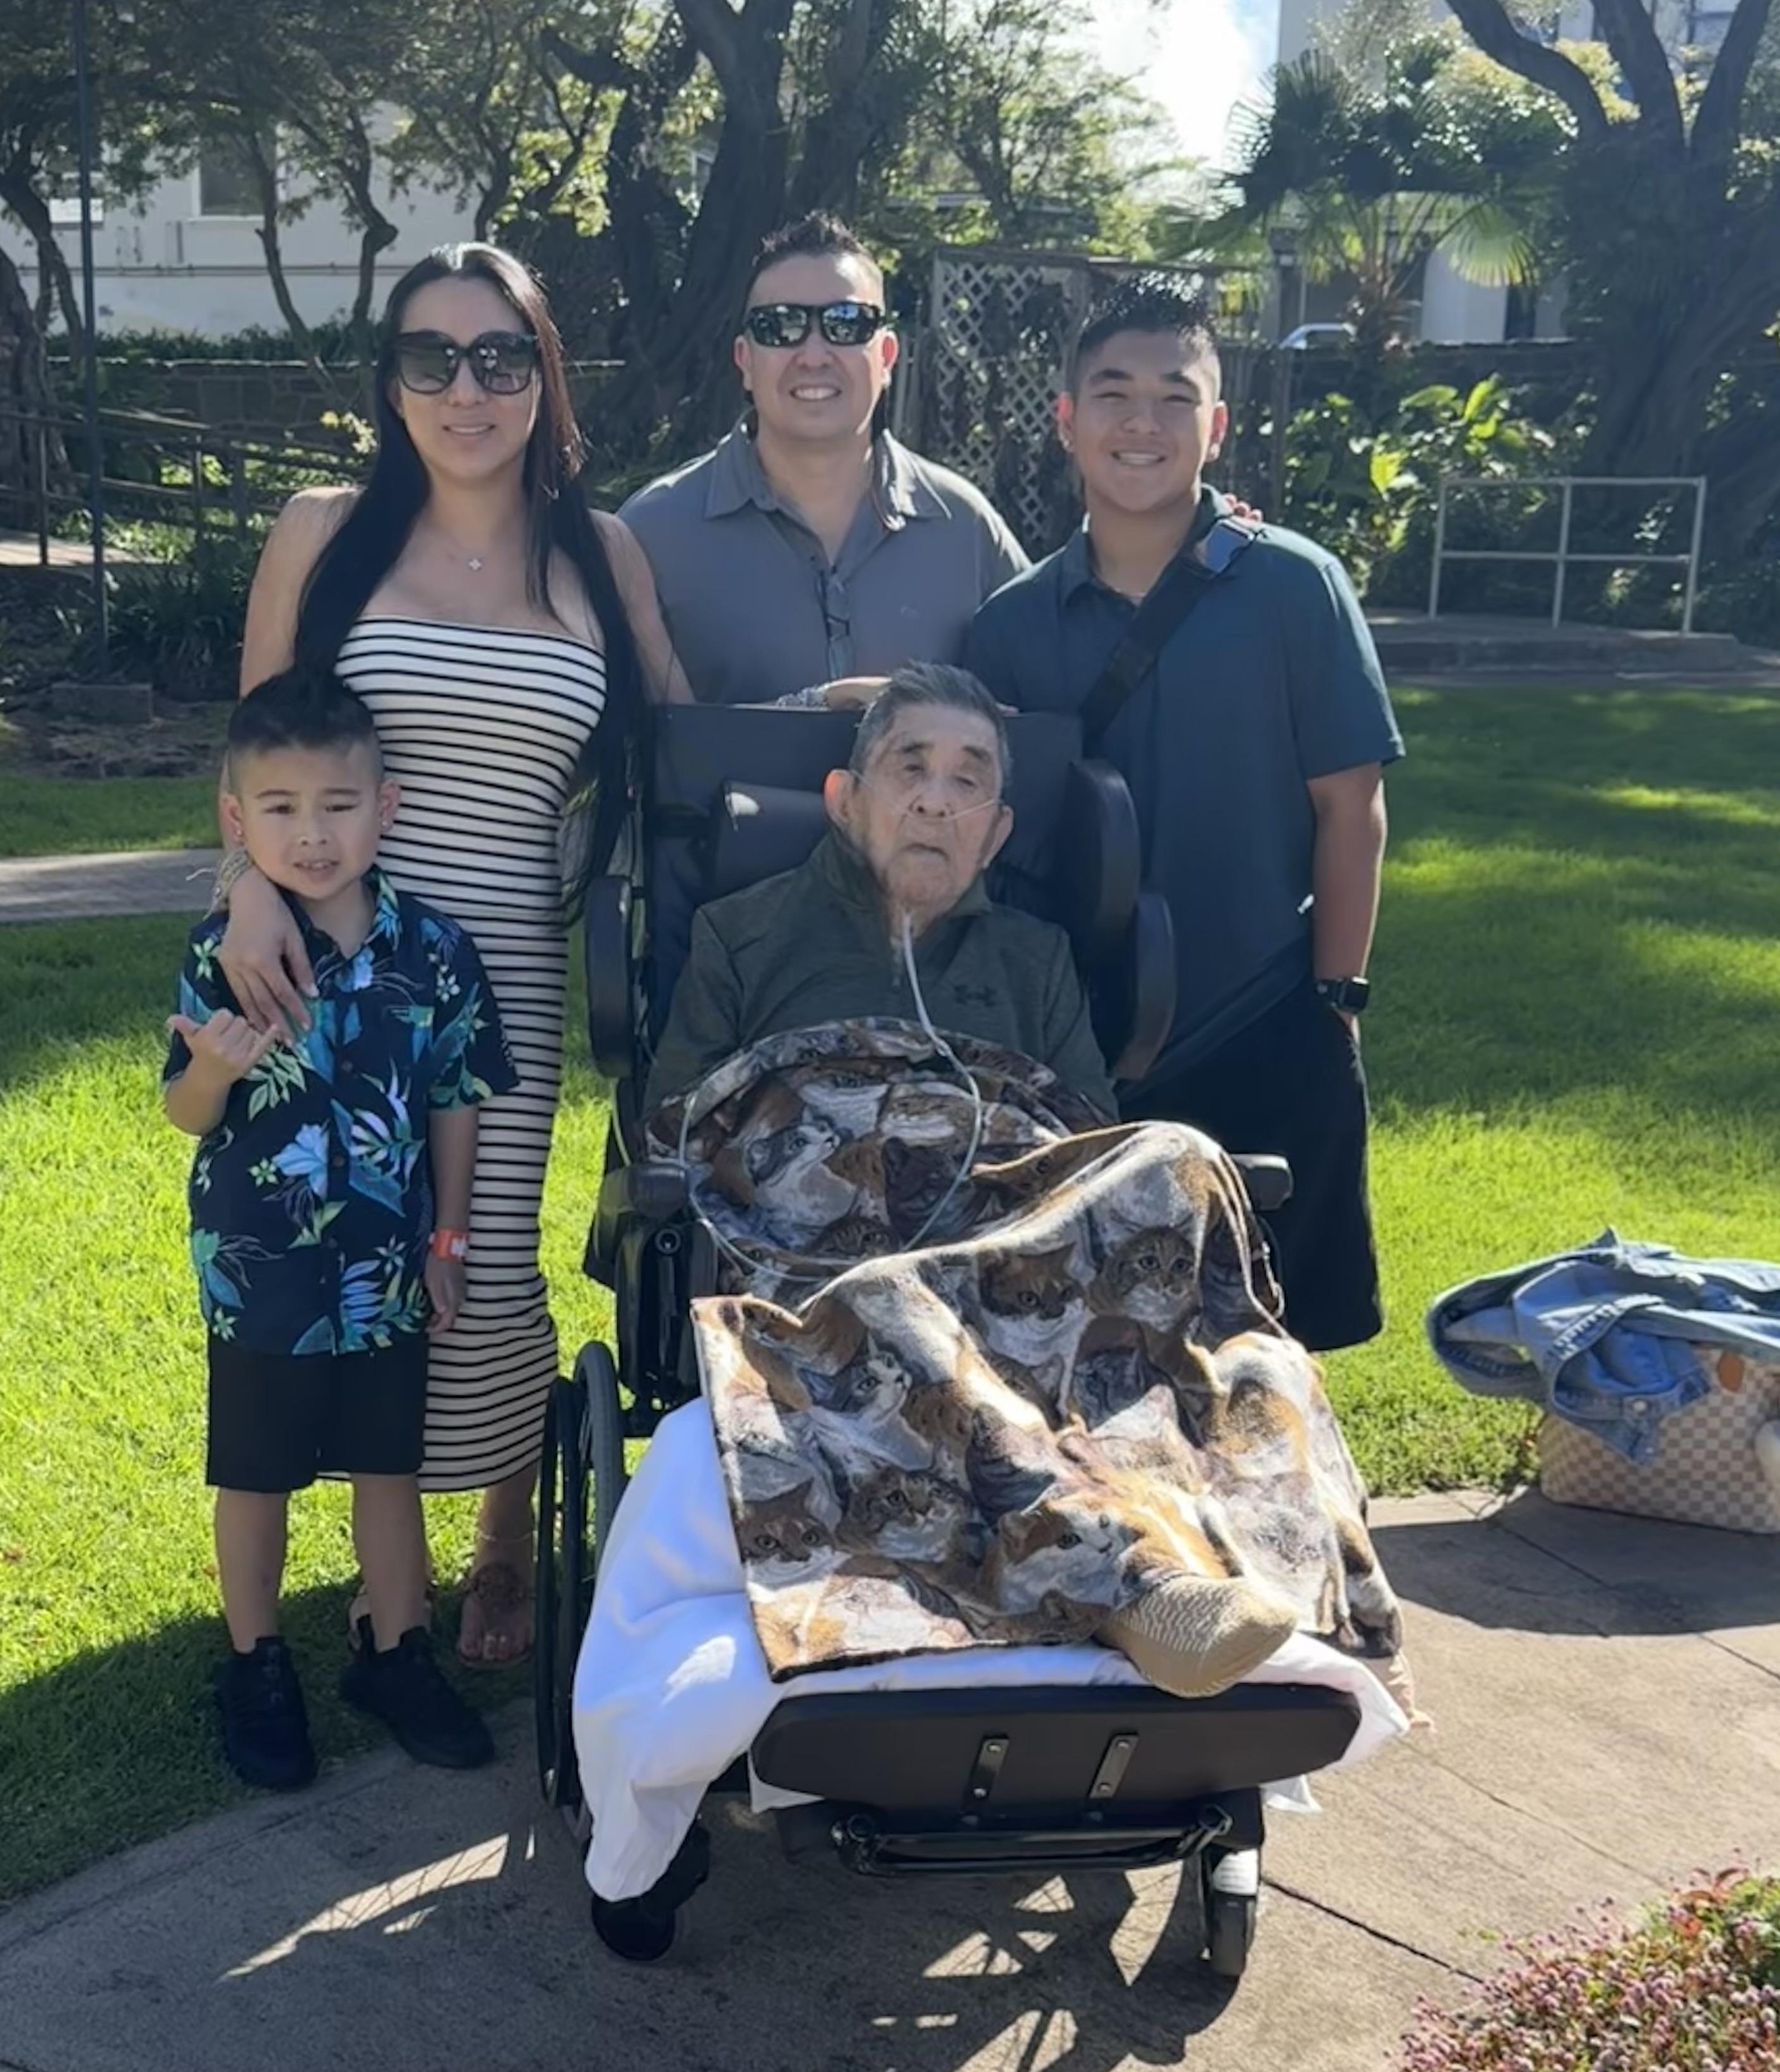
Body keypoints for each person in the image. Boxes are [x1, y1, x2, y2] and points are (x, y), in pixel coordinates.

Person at [219, 242, 687, 1667]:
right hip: (328, 964)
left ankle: (496, 1536)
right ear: (392, 382)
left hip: (507, 974)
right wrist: (244, 891)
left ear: (545, 378)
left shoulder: (599, 553)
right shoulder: (323, 530)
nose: (468, 387)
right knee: (332, 1257)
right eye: (432, 357)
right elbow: (254, 741)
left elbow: (681, 740)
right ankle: (376, 1562)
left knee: (472, 1258)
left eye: (501, 357)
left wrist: (846, 713)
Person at [965, 275, 1403, 1352]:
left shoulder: (1296, 588)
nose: (1140, 421)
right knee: (1085, 1352)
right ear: (1065, 421)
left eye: (1173, 396)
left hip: (1263, 1015)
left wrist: (1332, 999)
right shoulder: (1006, 630)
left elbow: (1352, 809)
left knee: (1271, 1357)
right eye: (1111, 392)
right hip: (1074, 1053)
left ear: (1214, 426)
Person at [165, 670, 517, 1788]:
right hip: (259, 1268)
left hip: (385, 1266)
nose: (311, 835)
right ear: (236, 819)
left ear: (387, 806)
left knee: (386, 1468)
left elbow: (458, 1096)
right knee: (256, 1473)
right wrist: (211, 1076)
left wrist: (448, 1235)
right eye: (278, 809)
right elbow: (182, 1110)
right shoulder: (226, 951)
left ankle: (395, 1653)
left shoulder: (436, 953)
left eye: (337, 804)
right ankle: (254, 1661)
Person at [645, 663, 1115, 1126]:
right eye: (911, 768)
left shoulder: (1039, 963)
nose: (934, 803)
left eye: (967, 780)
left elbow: (1097, 1159)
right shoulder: (738, 938)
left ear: (996, 834)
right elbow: (673, 1140)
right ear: (845, 802)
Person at [619, 212, 1027, 706]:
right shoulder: (652, 533)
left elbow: (1025, 722)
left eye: (847, 325)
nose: (814, 354)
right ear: (745, 361)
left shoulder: (966, 528)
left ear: (888, 358)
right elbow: (627, 747)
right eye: (781, 326)